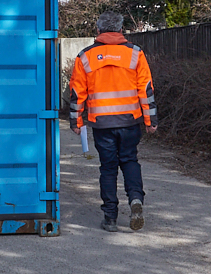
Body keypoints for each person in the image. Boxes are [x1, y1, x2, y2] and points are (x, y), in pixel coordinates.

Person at [68, 12, 158, 232]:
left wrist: (75, 121)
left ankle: (110, 218)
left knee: (108, 168)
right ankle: (136, 199)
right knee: (129, 161)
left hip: (102, 124)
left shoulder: (85, 56)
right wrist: (150, 120)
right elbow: (145, 90)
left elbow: (77, 93)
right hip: (129, 121)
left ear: (98, 30)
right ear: (120, 29)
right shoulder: (135, 54)